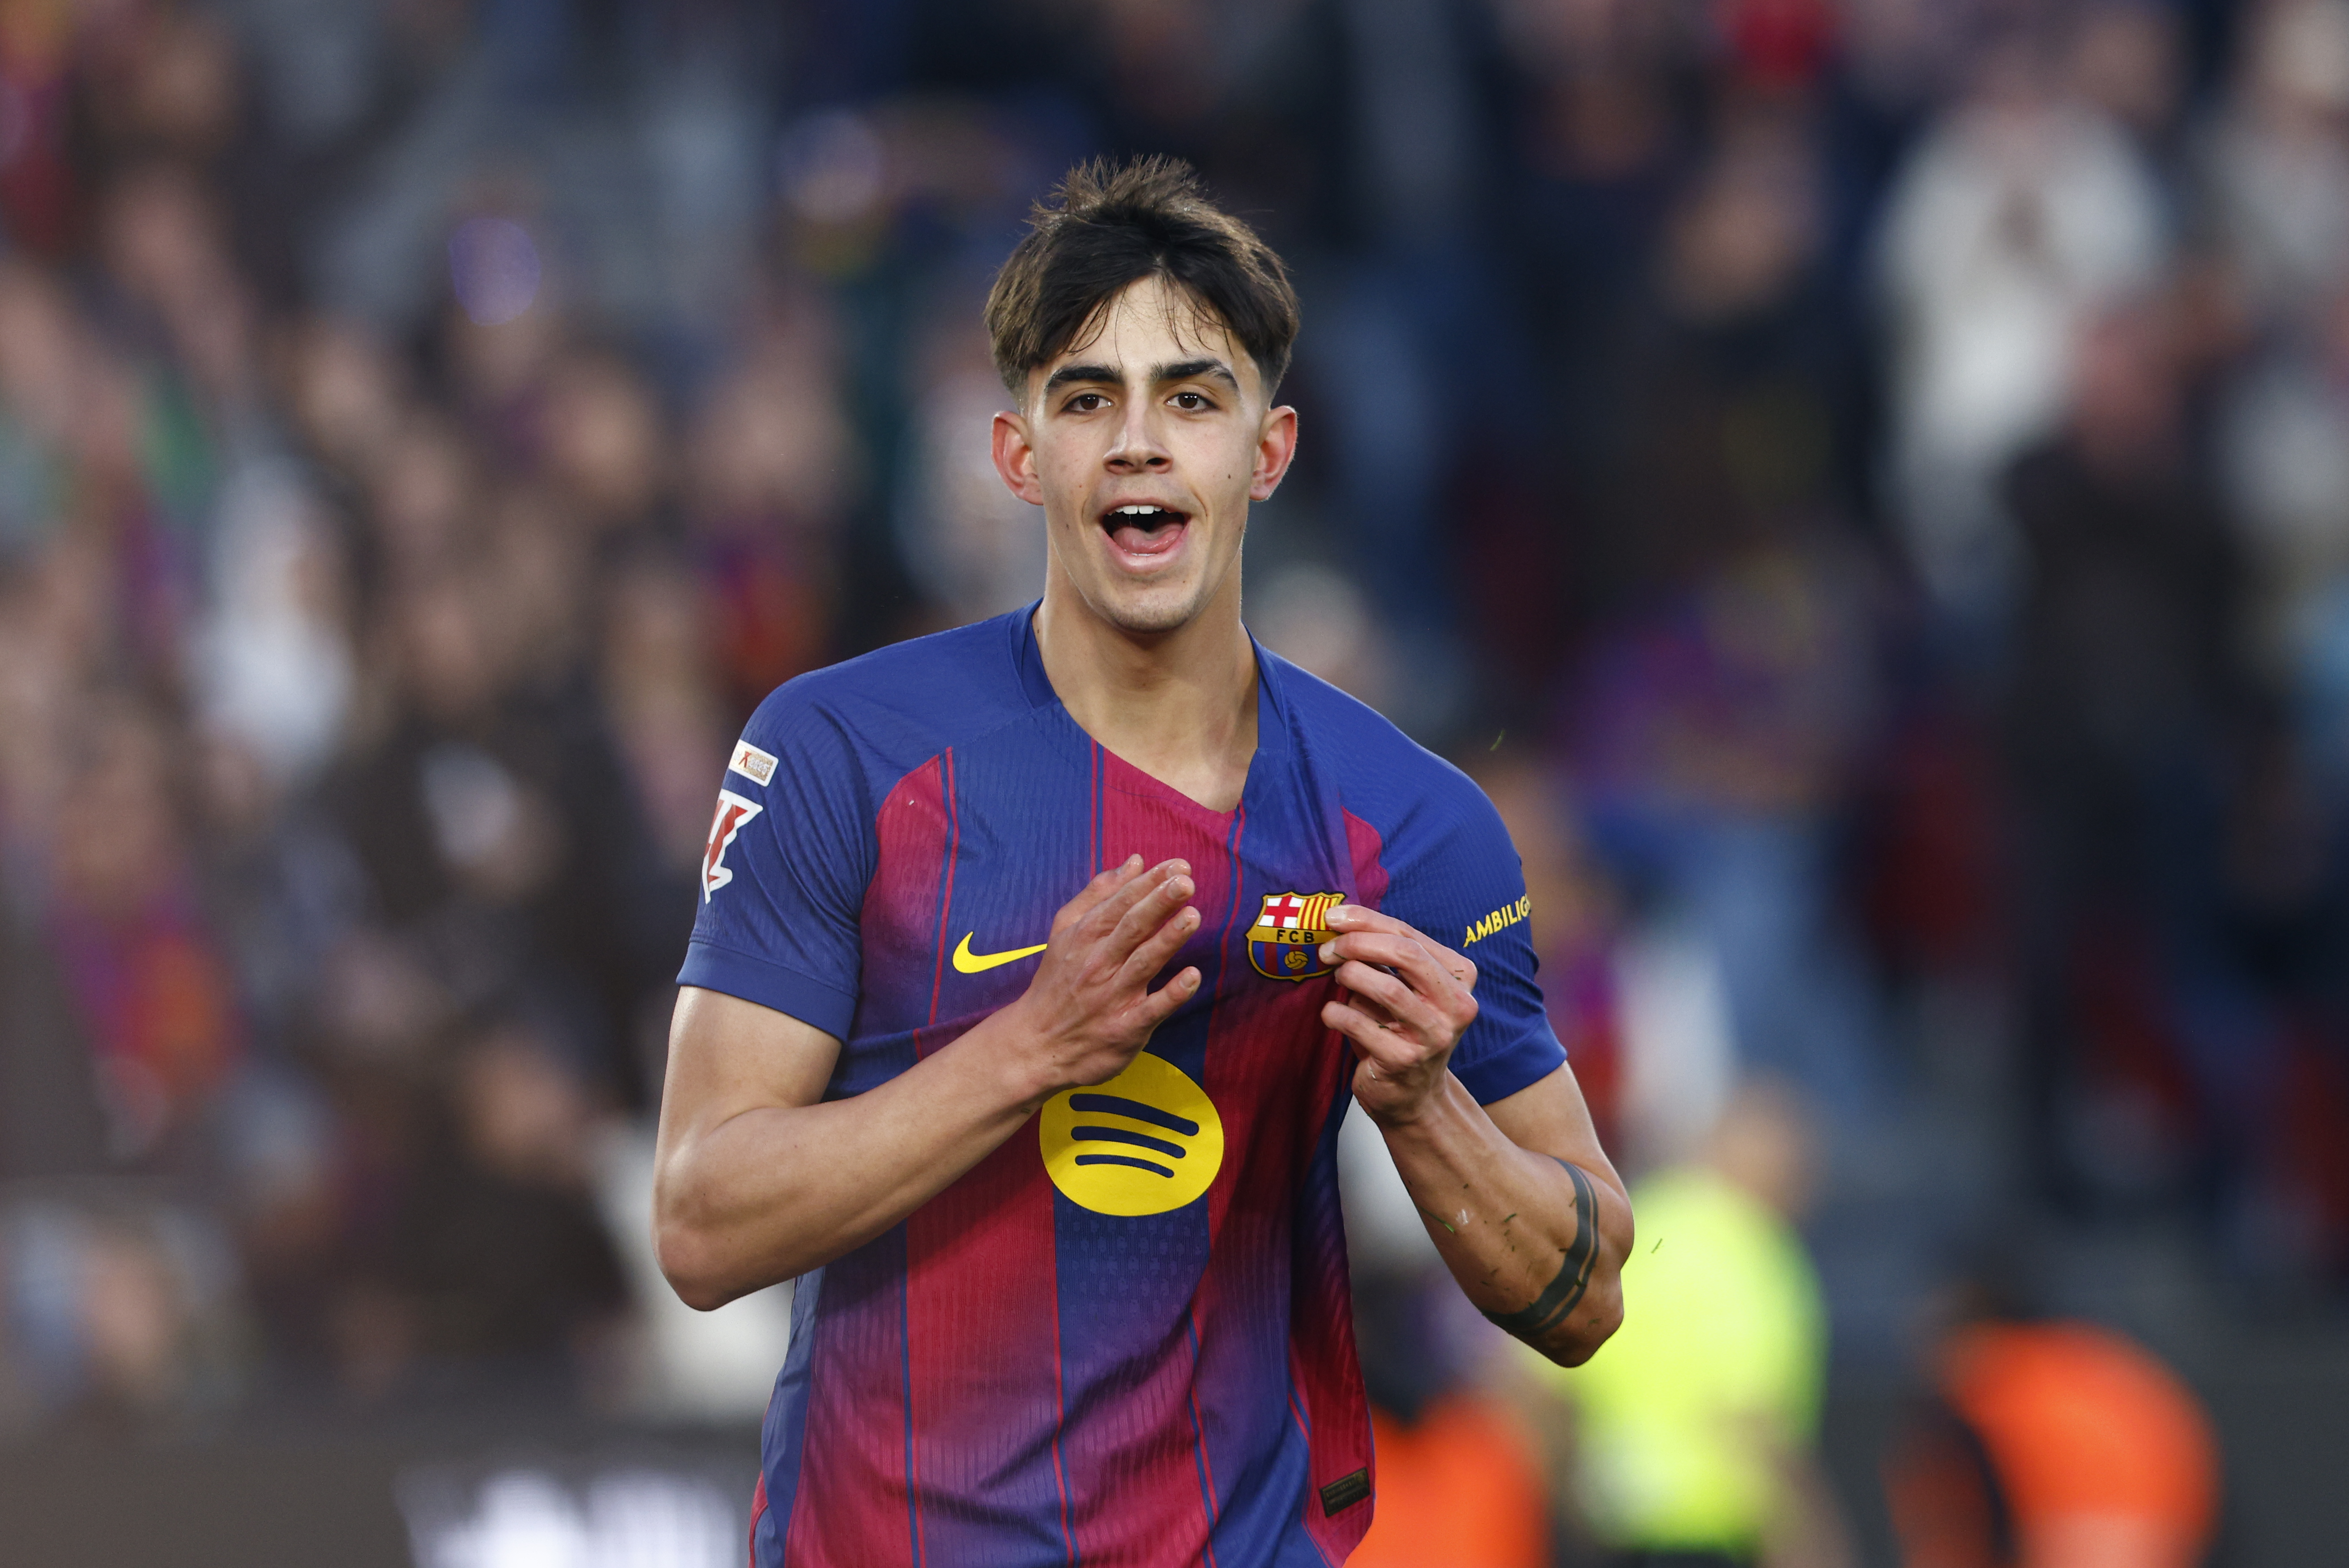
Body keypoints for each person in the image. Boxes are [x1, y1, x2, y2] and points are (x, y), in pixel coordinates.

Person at [651, 157, 1631, 1566]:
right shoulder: (840, 753)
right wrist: (1031, 1046)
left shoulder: (1408, 825)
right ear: (1019, 456)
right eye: (1086, 399)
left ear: (1268, 453)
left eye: (1190, 398)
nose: (1138, 444)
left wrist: (1425, 1112)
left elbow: (1587, 1294)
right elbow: (699, 1222)